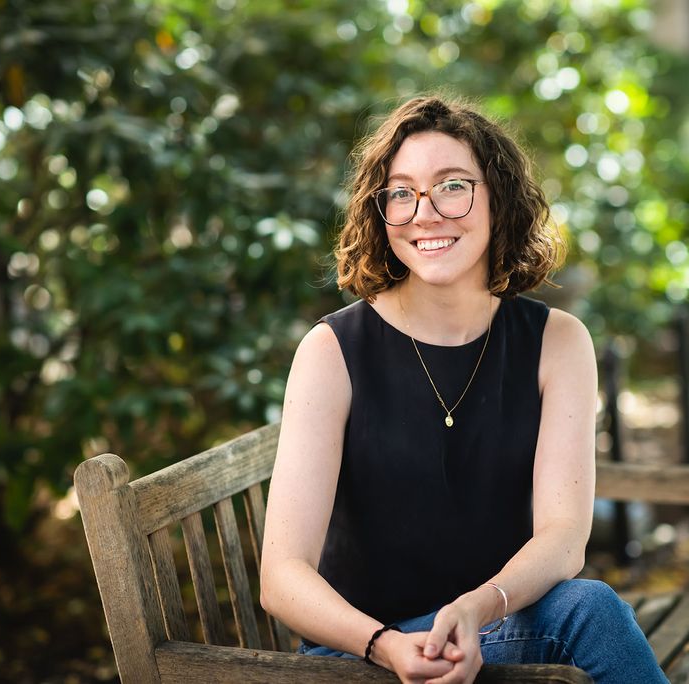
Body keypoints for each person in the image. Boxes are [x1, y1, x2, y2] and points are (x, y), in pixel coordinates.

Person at [259, 95, 666, 684]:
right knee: (595, 613)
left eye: (452, 186)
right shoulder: (332, 353)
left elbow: (562, 540)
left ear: (498, 199)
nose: (425, 213)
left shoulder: (557, 343)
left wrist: (476, 610)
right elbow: (281, 578)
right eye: (401, 192)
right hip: (361, 658)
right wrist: (387, 646)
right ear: (382, 214)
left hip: (497, 629)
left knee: (590, 609)